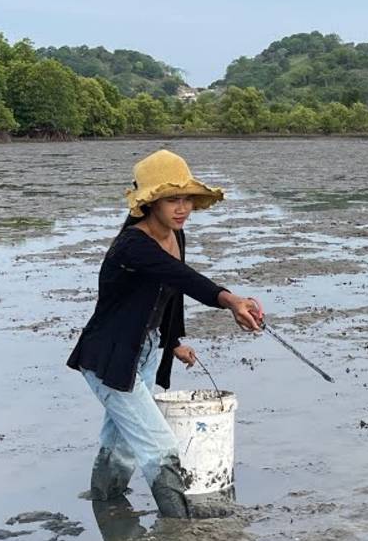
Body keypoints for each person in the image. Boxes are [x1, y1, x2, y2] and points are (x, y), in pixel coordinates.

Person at [67, 149, 264, 518]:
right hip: (110, 357)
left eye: (187, 198)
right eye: (172, 199)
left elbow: (169, 293)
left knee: (121, 444)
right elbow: (183, 278)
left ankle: (107, 512)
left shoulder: (175, 234)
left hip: (145, 349)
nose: (182, 208)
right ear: (150, 202)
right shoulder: (132, 245)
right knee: (160, 447)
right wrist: (230, 300)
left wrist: (172, 342)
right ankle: (178, 526)